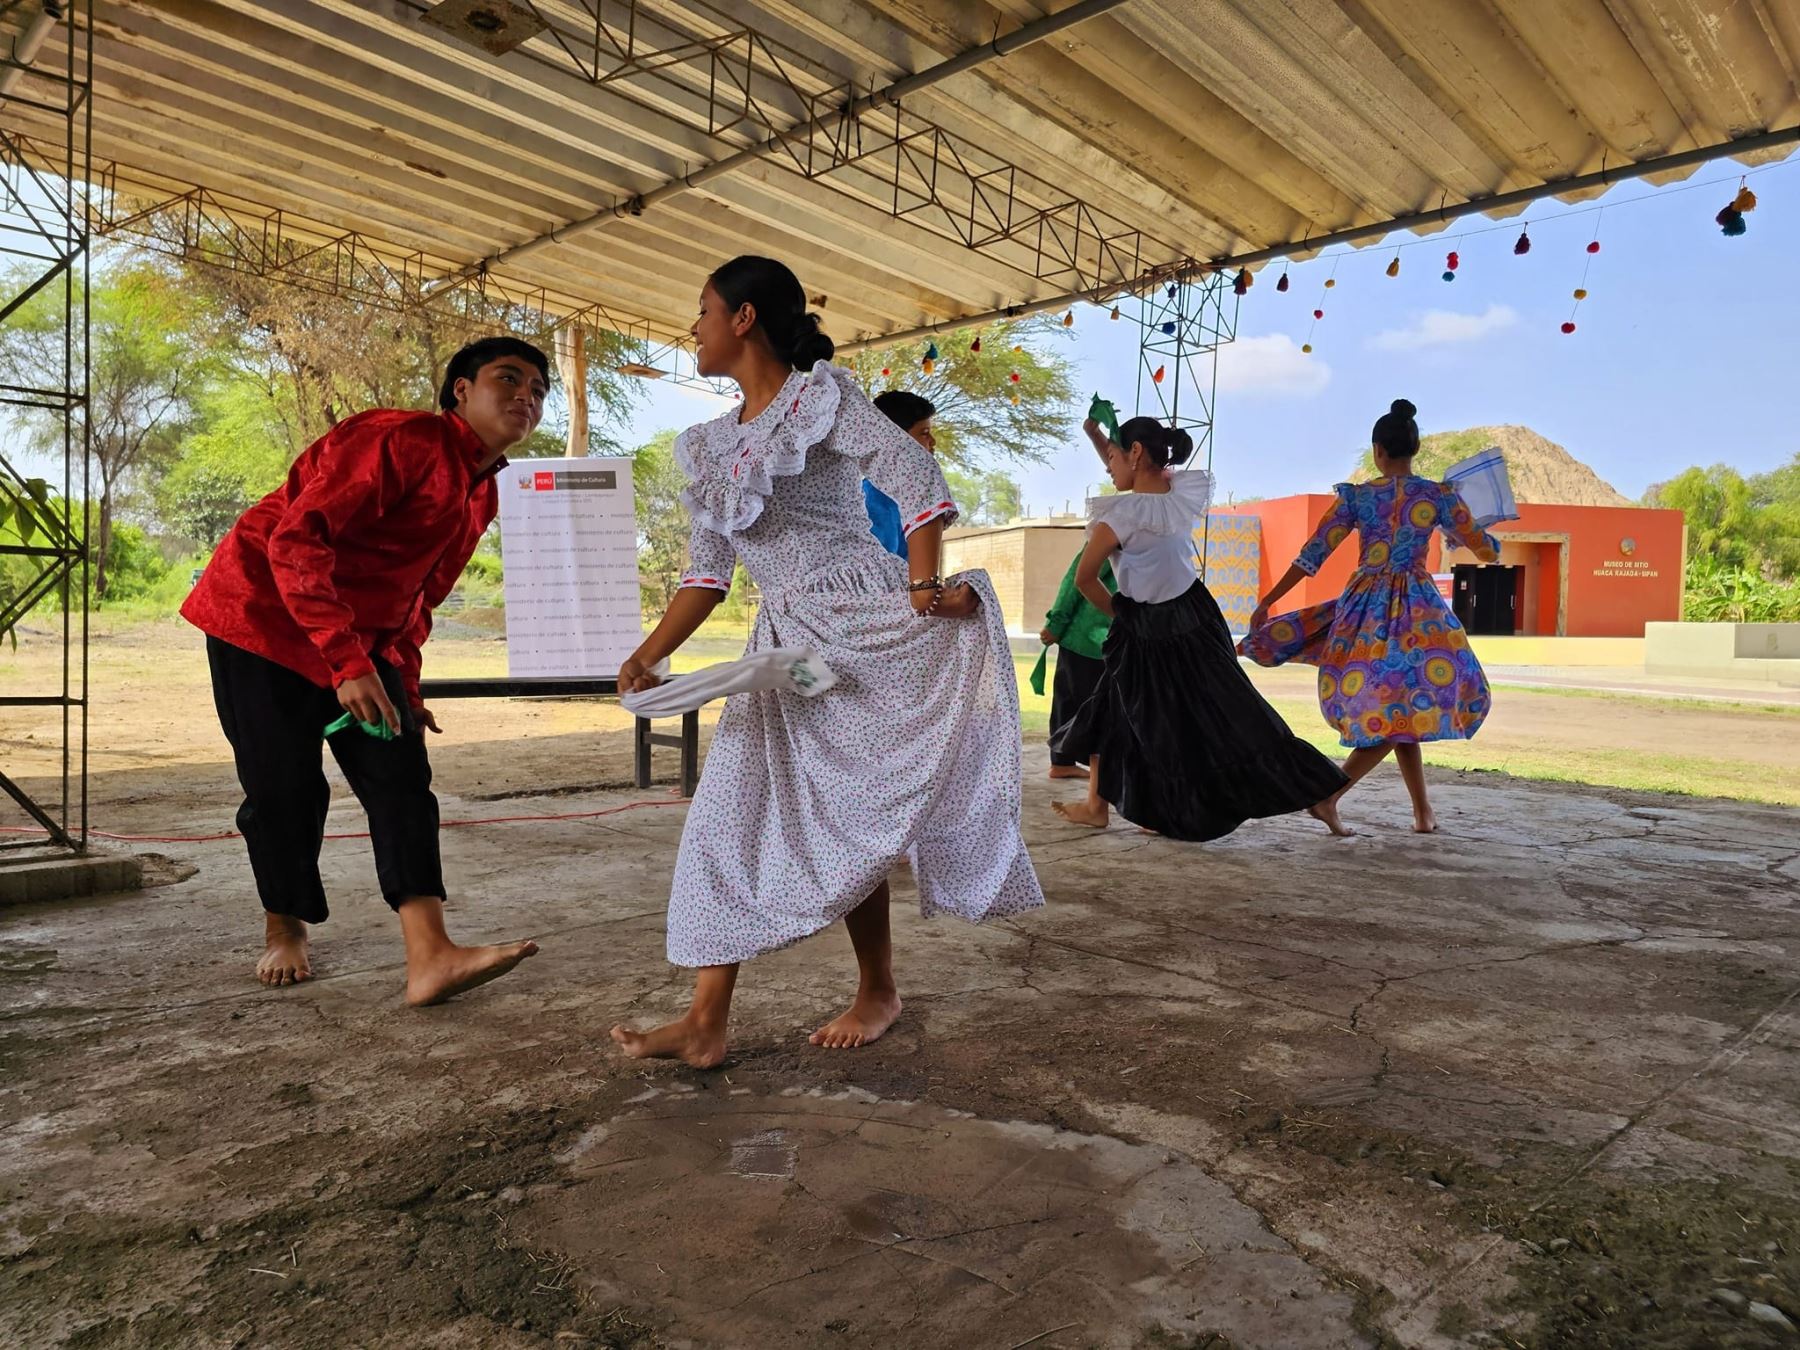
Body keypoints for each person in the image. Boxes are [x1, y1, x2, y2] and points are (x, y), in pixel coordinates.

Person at [609, 256, 1042, 1069]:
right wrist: (647, 653)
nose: (693, 327)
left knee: (855, 811)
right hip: (787, 650)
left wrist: (923, 588)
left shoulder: (822, 400)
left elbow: (915, 475)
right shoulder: (709, 447)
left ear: (743, 318)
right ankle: (705, 1019)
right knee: (728, 813)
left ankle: (877, 989)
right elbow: (708, 574)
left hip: (862, 626)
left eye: (703, 310)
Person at [181, 337, 547, 1004]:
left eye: (539, 390)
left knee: (401, 775)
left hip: (357, 635)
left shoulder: (482, 494)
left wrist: (403, 684)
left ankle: (431, 956)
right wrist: (345, 663)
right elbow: (296, 540)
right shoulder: (400, 439)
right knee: (284, 788)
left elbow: (418, 598)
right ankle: (284, 927)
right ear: (461, 390)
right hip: (261, 619)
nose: (528, 396)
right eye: (509, 379)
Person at [1050, 415, 1350, 839]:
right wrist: (1098, 436)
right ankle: (1100, 806)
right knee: (1151, 707)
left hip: (1150, 625)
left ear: (1135, 452)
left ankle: (1312, 792)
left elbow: (1085, 579)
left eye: (1113, 457)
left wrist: (1122, 614)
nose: (1107, 466)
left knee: (1148, 712)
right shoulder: (1175, 495)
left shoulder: (1121, 515)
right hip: (1195, 615)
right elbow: (1131, 468)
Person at [1240, 398, 1500, 833]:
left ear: (1377, 450)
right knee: (1401, 707)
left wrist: (1269, 600)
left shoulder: (1359, 498)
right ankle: (1330, 797)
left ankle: (1422, 813)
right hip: (1420, 613)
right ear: (1415, 449)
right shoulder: (1438, 496)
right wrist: (1480, 532)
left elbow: (1313, 554)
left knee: (1400, 707)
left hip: (1365, 612)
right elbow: (1486, 551)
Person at [1034, 547, 1116, 779]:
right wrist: (1056, 623)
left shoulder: (1126, 539)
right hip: (1088, 637)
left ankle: (1063, 762)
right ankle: (1066, 762)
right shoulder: (1111, 537)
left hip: (1097, 638)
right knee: (1087, 704)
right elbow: (1075, 580)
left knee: (1071, 701)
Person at [864, 390, 937, 558]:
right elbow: (881, 567)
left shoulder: (907, 493)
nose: (933, 442)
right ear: (897, 439)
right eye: (924, 433)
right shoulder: (876, 498)